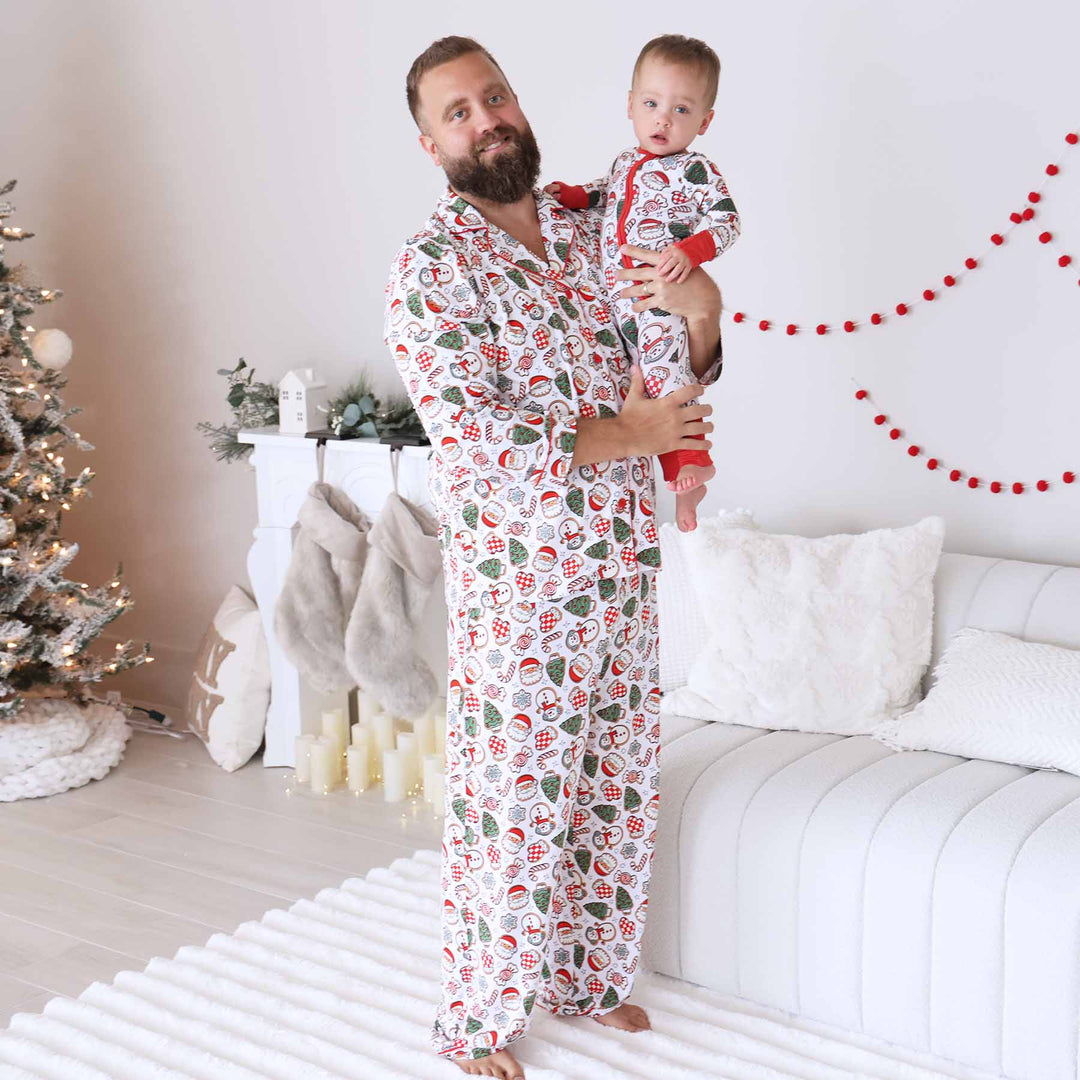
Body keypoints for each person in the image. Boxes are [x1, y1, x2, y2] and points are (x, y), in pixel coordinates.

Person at [384, 35, 724, 1080]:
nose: (486, 118)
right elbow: (479, 435)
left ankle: (585, 978)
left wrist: (702, 318)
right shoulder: (430, 269)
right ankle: (478, 1022)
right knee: (514, 800)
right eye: (458, 112)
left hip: (621, 562)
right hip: (525, 584)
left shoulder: (592, 224)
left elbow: (676, 348)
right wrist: (636, 435)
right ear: (431, 144)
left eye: (495, 96)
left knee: (614, 782)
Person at [546, 34, 740, 533]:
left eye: (681, 109)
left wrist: (688, 252)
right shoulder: (623, 162)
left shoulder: (694, 169)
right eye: (652, 104)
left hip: (658, 296)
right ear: (630, 105)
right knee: (637, 385)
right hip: (618, 304)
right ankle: (677, 474)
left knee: (667, 378)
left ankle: (690, 471)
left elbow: (726, 221)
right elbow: (601, 194)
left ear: (705, 121)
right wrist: (570, 194)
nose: (663, 119)